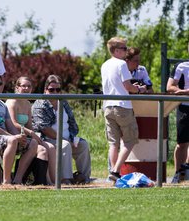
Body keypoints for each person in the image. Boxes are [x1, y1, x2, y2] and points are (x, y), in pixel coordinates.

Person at [101, 37, 146, 182]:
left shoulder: (105, 65)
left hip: (108, 106)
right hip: (122, 106)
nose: (127, 52)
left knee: (113, 143)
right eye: (125, 49)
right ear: (117, 50)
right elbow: (128, 86)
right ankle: (115, 171)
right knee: (130, 140)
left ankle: (112, 174)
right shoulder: (121, 64)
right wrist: (139, 90)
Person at [32, 75, 91, 184]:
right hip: (47, 139)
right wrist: (65, 139)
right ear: (45, 90)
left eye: (58, 90)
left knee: (83, 145)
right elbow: (45, 129)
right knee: (65, 145)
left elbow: (72, 123)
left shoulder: (63, 103)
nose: (55, 92)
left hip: (66, 138)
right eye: (51, 89)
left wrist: (73, 138)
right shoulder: (39, 105)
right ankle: (65, 179)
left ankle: (84, 178)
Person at [6, 77, 56, 185]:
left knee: (50, 147)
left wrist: (35, 136)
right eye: (23, 86)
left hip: (27, 135)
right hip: (14, 135)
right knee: (42, 150)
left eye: (29, 86)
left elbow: (29, 125)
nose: (26, 88)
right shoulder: (12, 101)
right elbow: (14, 123)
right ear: (17, 87)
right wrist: (31, 133)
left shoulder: (28, 103)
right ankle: (22, 179)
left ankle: (54, 181)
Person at [166, 59, 189, 183]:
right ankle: (178, 174)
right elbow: (170, 87)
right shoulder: (181, 66)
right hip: (185, 107)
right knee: (182, 142)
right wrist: (184, 92)